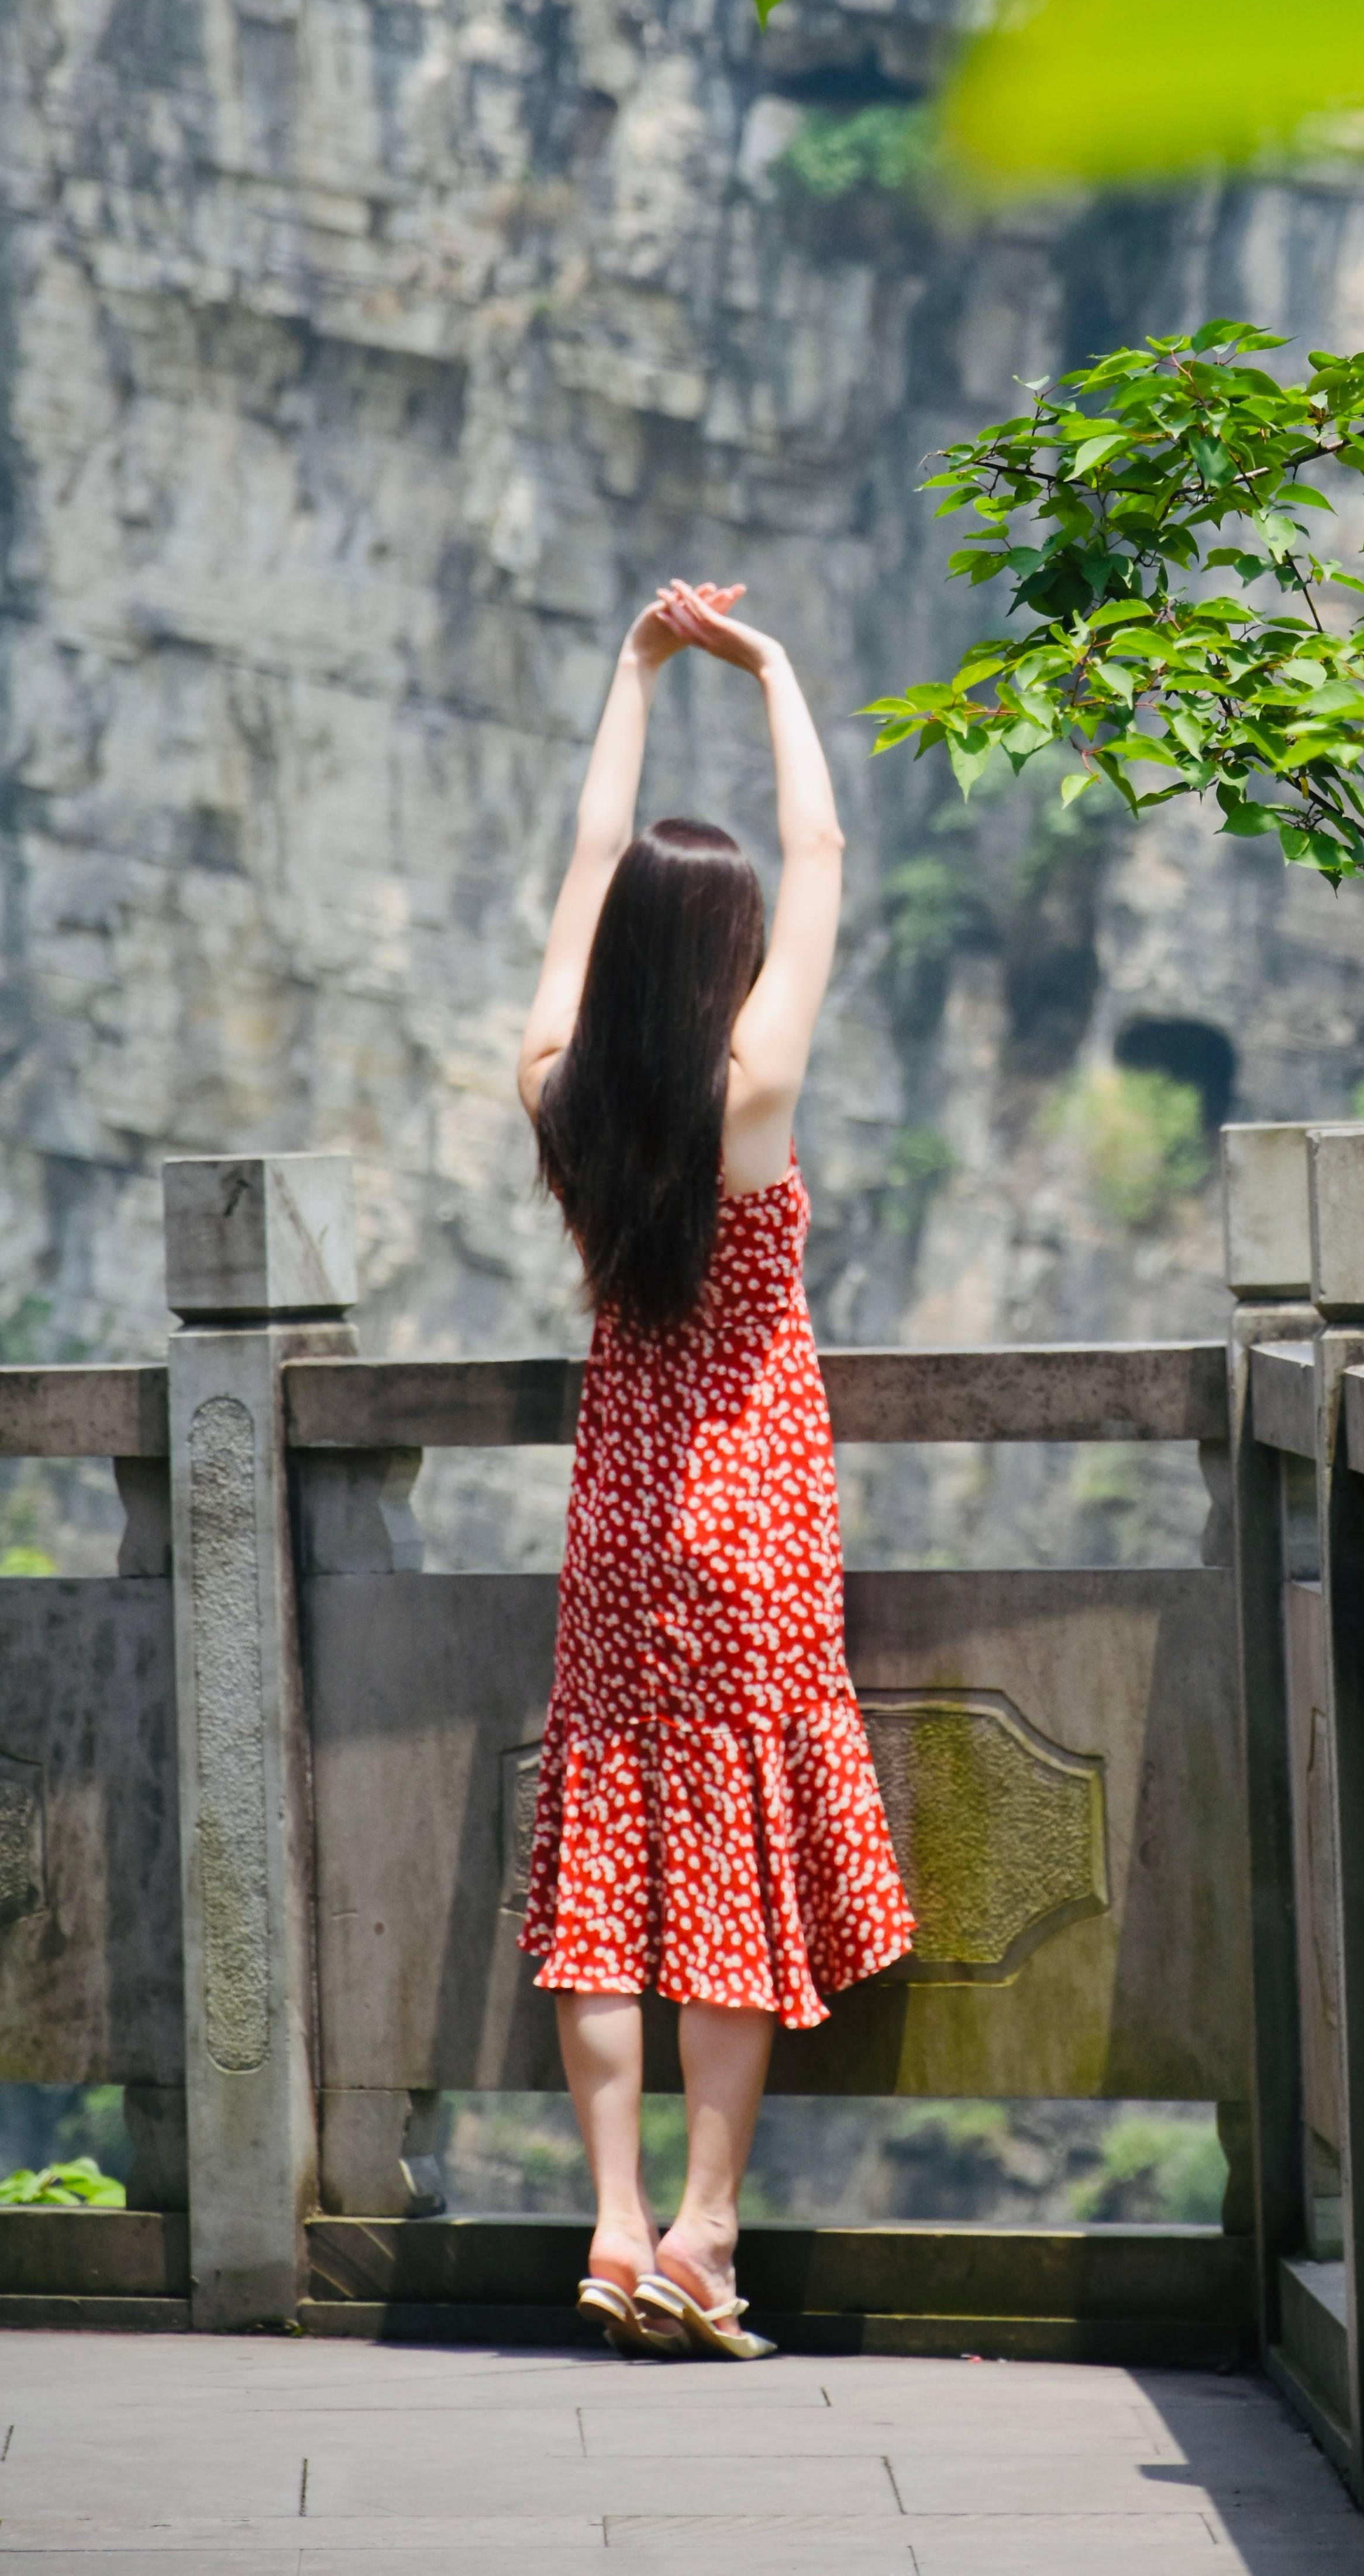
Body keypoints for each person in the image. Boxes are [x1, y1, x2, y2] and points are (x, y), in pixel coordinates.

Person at [514, 577, 915, 2360]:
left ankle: (605, 2224)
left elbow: (596, 861)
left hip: (616, 1511)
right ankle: (703, 2229)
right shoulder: (752, 1088)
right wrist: (769, 667)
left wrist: (629, 672)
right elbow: (822, 844)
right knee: (737, 1860)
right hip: (748, 1506)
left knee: (607, 1848)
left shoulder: (559, 1087)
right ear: (733, 959)